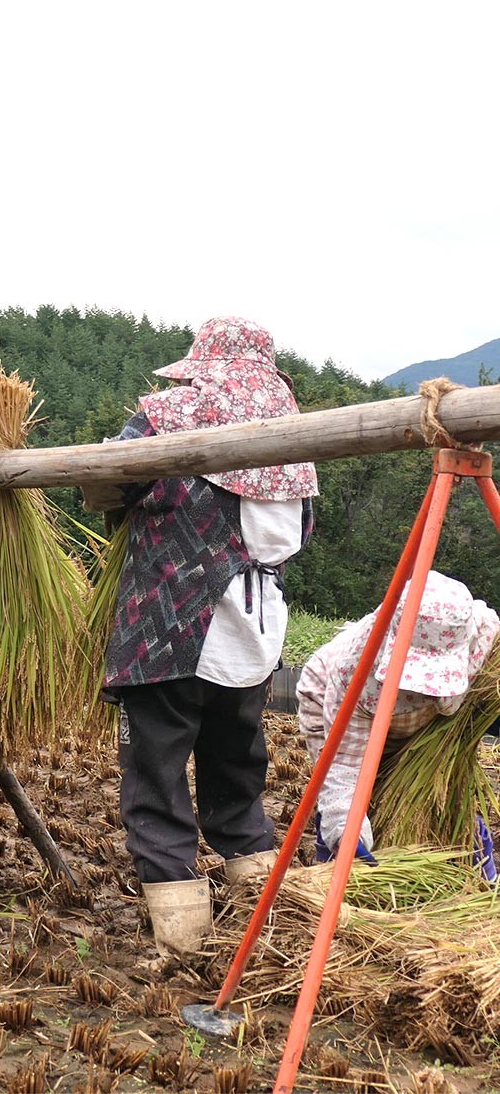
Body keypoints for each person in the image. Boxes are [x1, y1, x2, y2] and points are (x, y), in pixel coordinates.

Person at [92, 317, 318, 956]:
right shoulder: (296, 444)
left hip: (169, 631)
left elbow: (106, 482)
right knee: (236, 764)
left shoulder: (166, 417)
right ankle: (263, 911)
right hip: (254, 632)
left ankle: (184, 936)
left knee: (156, 775)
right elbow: (301, 533)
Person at [297, 570, 498, 879]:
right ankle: (334, 875)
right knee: (350, 808)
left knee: (443, 799)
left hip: (421, 729)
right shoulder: (356, 673)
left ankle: (482, 879)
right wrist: (346, 830)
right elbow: (345, 770)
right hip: (335, 701)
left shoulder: (483, 635)